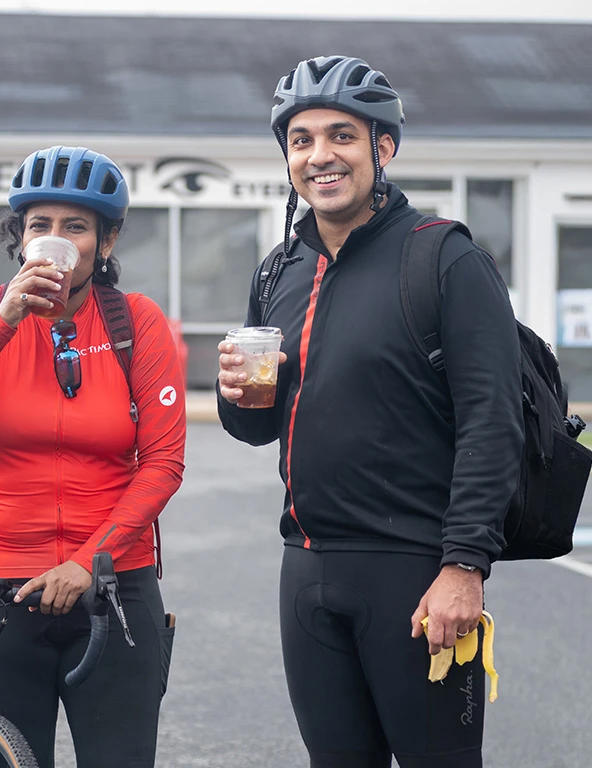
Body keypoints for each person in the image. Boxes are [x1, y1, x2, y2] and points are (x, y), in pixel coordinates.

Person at [217, 56, 522, 768]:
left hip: (415, 574)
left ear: (382, 148)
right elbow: (260, 426)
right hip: (308, 570)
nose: (320, 156)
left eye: (341, 136)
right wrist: (238, 398)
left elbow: (492, 420)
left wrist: (464, 566)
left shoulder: (442, 258)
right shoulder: (279, 270)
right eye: (301, 140)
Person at [0, 145, 185, 768]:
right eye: (39, 225)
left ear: (104, 245)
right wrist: (4, 319)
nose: (54, 240)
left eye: (75, 227)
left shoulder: (138, 323)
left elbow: (163, 463)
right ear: (18, 238)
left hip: (111, 587)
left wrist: (87, 563)